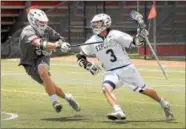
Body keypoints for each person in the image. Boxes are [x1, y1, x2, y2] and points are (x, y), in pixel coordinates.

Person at [76, 13, 173, 121]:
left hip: (126, 68)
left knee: (144, 90)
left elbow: (135, 43)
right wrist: (87, 65)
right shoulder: (92, 40)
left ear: (105, 23)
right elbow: (80, 55)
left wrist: (140, 36)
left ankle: (164, 103)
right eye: (94, 24)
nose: (95, 26)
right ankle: (118, 111)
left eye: (98, 23)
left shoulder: (115, 34)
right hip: (111, 72)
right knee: (105, 88)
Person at [19, 8, 80, 113]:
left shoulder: (47, 29)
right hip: (29, 62)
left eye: (45, 22)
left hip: (42, 57)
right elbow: (39, 43)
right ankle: (68, 97)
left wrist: (62, 44)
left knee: (43, 72)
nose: (44, 25)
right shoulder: (27, 32)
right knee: (52, 86)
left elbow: (59, 38)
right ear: (33, 21)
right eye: (41, 22)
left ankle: (55, 102)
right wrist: (57, 45)